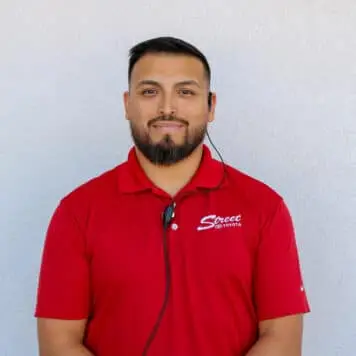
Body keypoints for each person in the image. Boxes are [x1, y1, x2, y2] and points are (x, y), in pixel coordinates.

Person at [35, 36, 310, 356]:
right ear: (127, 104)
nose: (167, 107)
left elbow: (282, 337)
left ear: (211, 106)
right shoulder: (77, 212)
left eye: (186, 92)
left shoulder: (264, 207)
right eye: (150, 92)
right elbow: (59, 342)